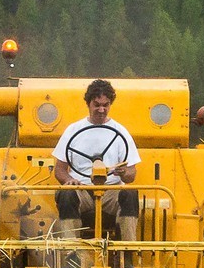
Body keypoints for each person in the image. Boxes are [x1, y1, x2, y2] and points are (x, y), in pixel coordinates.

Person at [52, 78, 140, 241]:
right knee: (65, 195)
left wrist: (123, 173)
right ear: (88, 104)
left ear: (110, 105)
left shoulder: (120, 132)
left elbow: (132, 174)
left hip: (111, 191)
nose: (101, 109)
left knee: (130, 193)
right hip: (82, 191)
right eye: (97, 105)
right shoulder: (73, 130)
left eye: (105, 105)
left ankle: (127, 253)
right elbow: (60, 170)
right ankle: (71, 253)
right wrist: (70, 180)